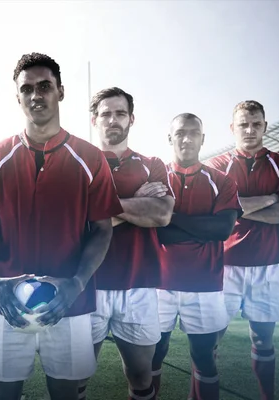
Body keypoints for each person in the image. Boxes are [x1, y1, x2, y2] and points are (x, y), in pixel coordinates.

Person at [0, 52, 123, 400]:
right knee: (2, 394)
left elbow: (103, 228)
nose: (36, 95)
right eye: (27, 89)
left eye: (45, 86)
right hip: (6, 299)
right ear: (17, 97)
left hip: (70, 301)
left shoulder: (90, 158)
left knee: (67, 393)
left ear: (61, 91)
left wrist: (76, 284)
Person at [205, 101, 279, 400]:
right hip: (223, 264)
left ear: (265, 125)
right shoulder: (215, 166)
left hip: (268, 263)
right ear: (232, 128)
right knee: (208, 342)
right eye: (243, 124)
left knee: (263, 340)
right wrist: (272, 197)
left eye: (256, 124)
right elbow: (212, 209)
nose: (249, 130)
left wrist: (235, 209)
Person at [81, 87, 174, 400]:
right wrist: (136, 202)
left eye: (120, 113)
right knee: (75, 376)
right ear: (95, 119)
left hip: (138, 283)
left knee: (140, 376)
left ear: (131, 118)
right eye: (105, 113)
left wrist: (99, 211)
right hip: (86, 283)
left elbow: (161, 214)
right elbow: (73, 222)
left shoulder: (153, 164)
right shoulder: (78, 163)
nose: (113, 119)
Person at [153, 113, 241, 400]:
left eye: (194, 133)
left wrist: (171, 217)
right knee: (153, 355)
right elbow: (155, 232)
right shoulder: (155, 179)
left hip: (204, 285)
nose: (187, 138)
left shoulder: (222, 181)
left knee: (204, 357)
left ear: (203, 138)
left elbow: (222, 229)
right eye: (180, 133)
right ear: (170, 138)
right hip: (158, 284)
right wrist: (199, 226)